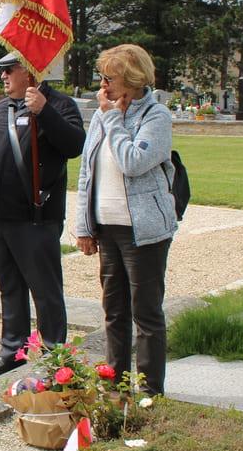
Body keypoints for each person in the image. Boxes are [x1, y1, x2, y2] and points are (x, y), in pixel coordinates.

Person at [0, 52, 85, 377]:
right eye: (2, 70)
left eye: (10, 69)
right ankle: (13, 349)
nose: (4, 76)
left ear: (31, 70)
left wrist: (44, 112)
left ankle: (53, 355)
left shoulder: (58, 105)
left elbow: (74, 145)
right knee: (9, 288)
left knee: (44, 289)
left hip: (34, 217)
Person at [73, 44, 177, 396]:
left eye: (109, 78)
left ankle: (149, 391)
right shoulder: (103, 114)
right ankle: (113, 382)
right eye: (101, 77)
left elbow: (133, 162)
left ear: (131, 80)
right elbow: (87, 171)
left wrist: (113, 118)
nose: (102, 85)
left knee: (146, 313)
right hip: (107, 227)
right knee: (113, 310)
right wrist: (83, 226)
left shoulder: (156, 116)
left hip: (143, 230)